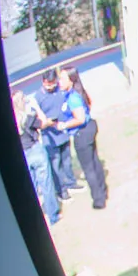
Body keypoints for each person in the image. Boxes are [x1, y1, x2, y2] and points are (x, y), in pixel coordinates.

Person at [57, 67, 108, 210]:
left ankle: (98, 199)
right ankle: (103, 191)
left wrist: (64, 125)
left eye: (62, 79)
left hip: (82, 133)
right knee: (95, 161)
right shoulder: (77, 93)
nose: (59, 82)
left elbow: (79, 118)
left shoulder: (73, 97)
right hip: (89, 128)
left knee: (89, 168)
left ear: (71, 81)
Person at [12, 91, 60, 225]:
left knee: (31, 188)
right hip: (35, 150)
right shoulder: (28, 117)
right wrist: (36, 107)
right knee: (46, 184)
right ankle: (53, 215)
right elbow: (44, 123)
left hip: (23, 154)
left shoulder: (13, 121)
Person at [37, 68, 82, 200]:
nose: (51, 86)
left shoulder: (60, 91)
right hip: (50, 138)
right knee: (56, 166)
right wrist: (46, 122)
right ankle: (61, 191)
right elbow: (36, 120)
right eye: (48, 83)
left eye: (53, 83)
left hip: (63, 133)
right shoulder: (38, 98)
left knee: (67, 161)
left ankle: (71, 183)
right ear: (43, 82)